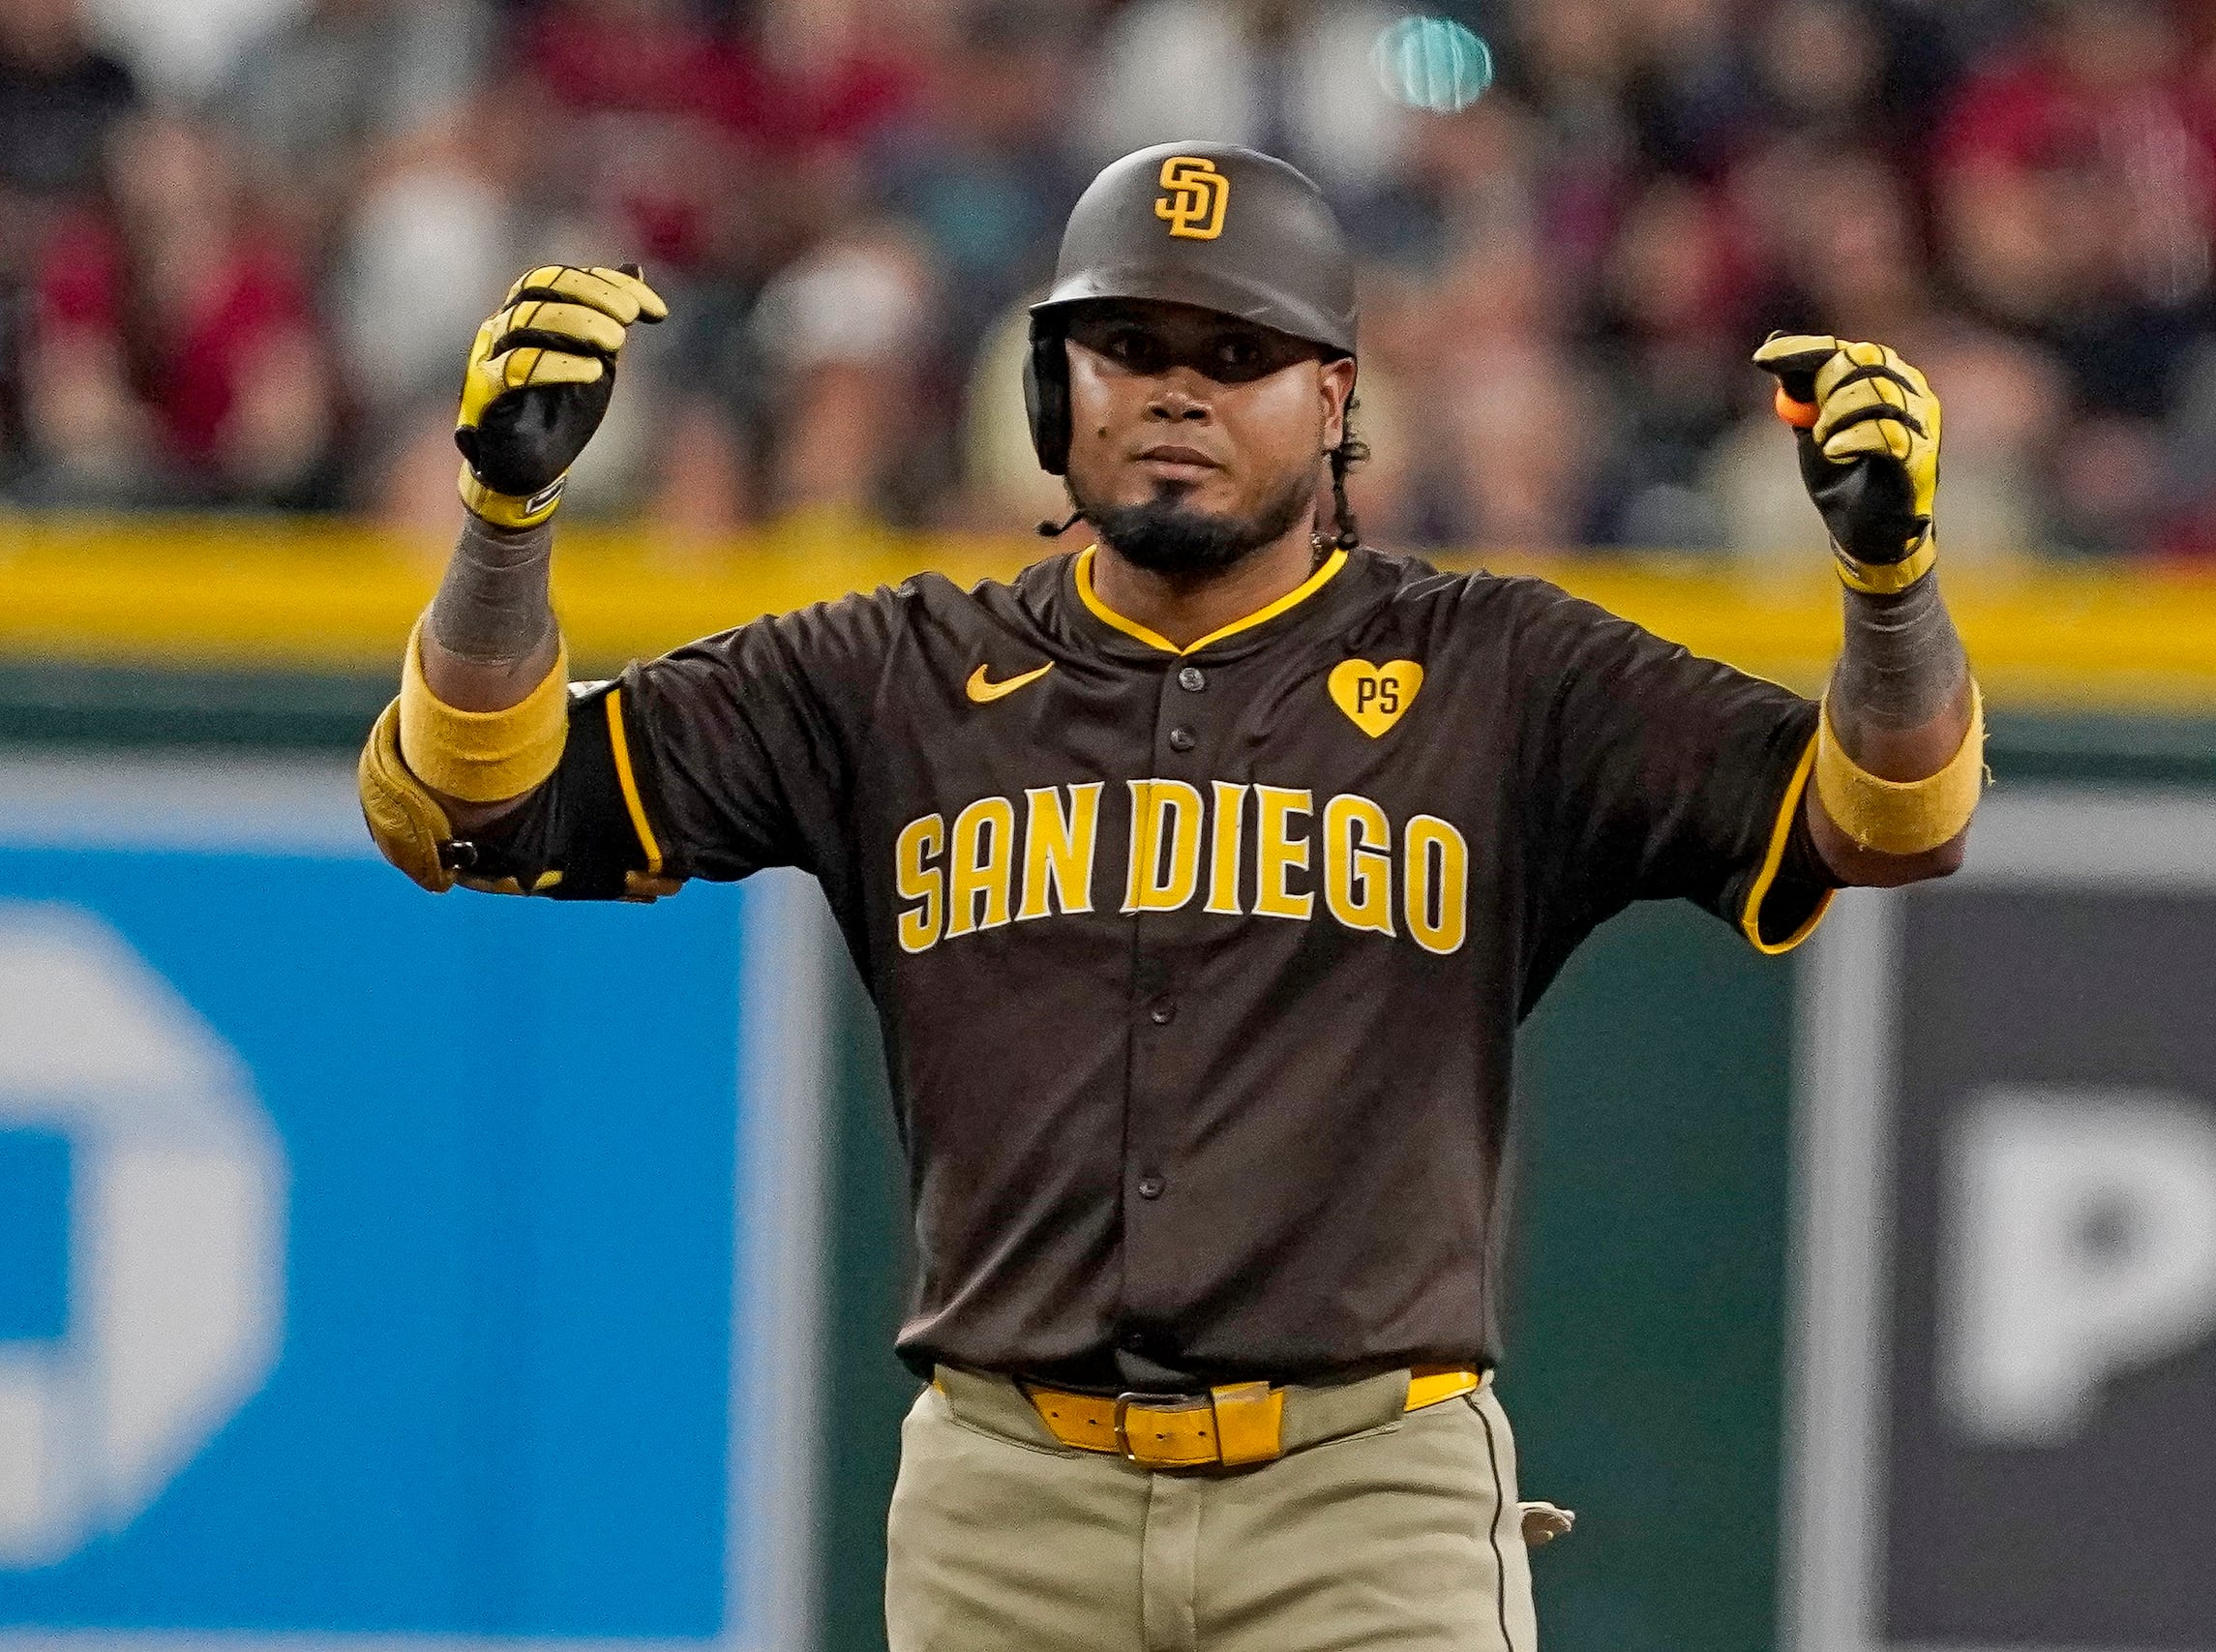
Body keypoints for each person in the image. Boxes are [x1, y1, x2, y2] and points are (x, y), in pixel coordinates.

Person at [356, 141, 1983, 1651]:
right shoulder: (893, 675)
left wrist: (1891, 589)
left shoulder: (1501, 674)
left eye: (1237, 353)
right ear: (1052, 388)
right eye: (1129, 348)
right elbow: (473, 807)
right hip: (1007, 1503)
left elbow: (1886, 815)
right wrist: (503, 527)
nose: (1177, 393)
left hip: (1364, 1495)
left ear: (1333, 399)